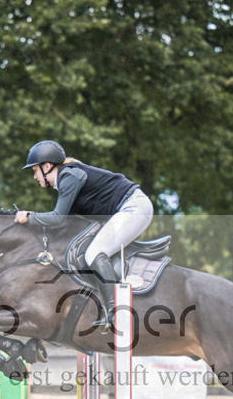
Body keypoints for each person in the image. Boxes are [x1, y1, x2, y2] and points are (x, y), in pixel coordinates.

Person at [14, 140, 153, 326]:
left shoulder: (69, 176)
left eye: (35, 171)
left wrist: (29, 216)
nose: (35, 177)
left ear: (47, 166)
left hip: (133, 208)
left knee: (94, 253)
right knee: (85, 250)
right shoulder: (67, 178)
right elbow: (67, 224)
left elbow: (57, 218)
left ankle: (115, 311)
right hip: (127, 209)